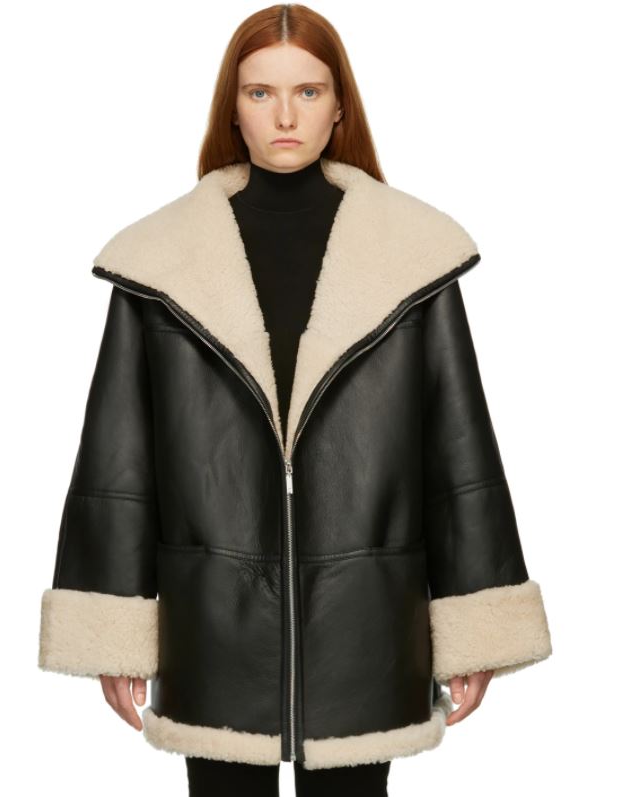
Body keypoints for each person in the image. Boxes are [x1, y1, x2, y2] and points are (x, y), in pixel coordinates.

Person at [37, 4, 553, 796]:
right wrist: (114, 630)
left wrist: (473, 624)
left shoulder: (411, 256)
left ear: (339, 105)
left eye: (307, 92)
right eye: (260, 93)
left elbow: (459, 453)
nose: (284, 116)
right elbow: (118, 461)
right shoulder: (160, 264)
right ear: (232, 107)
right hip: (212, 625)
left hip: (366, 625)